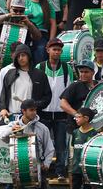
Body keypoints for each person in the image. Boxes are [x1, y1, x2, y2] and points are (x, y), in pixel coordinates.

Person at [35, 38, 73, 181]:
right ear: (47, 50)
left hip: (61, 113)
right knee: (42, 143)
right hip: (43, 113)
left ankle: (60, 172)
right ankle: (42, 170)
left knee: (61, 145)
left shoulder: (67, 68)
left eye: (59, 50)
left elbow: (70, 89)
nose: (56, 52)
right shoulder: (40, 67)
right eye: (54, 49)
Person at [0, 99, 55, 189]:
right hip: (18, 168)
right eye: (31, 110)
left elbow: (49, 147)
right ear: (23, 111)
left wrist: (46, 163)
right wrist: (11, 130)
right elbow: (2, 137)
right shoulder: (13, 125)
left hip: (38, 169)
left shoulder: (42, 128)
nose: (34, 112)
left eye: (35, 110)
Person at [0, 44, 52, 121]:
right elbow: (3, 93)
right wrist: (3, 108)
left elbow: (47, 97)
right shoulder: (10, 73)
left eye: (23, 55)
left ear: (28, 56)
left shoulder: (40, 75)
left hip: (31, 118)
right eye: (18, 56)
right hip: (12, 116)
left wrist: (34, 105)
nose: (20, 58)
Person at [8, 0, 57, 64]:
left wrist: (51, 41)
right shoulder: (24, 1)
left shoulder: (48, 4)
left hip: (41, 33)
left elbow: (53, 23)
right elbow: (10, 8)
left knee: (41, 49)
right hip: (23, 32)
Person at [60, 59, 97, 135]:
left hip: (94, 127)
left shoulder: (98, 85)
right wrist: (77, 115)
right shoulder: (75, 85)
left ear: (93, 72)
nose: (83, 74)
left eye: (86, 72)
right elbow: (63, 104)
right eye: (81, 72)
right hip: (75, 128)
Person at [70, 107, 97, 189]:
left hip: (87, 169)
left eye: (78, 117)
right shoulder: (75, 132)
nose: (76, 119)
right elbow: (72, 148)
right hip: (76, 168)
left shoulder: (94, 134)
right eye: (75, 117)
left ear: (86, 118)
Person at [0, 41, 21, 122]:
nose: (19, 57)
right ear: (11, 55)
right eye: (16, 54)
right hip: (9, 114)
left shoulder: (31, 71)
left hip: (26, 115)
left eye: (22, 54)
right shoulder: (5, 71)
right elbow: (0, 94)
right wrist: (0, 115)